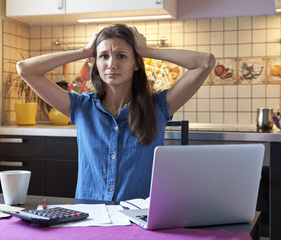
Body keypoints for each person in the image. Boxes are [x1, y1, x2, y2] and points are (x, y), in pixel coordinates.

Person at [16, 23, 215, 201]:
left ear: (136, 63)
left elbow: (205, 62)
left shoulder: (159, 106)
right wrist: (85, 51)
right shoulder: (81, 107)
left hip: (139, 220)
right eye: (103, 56)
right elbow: (25, 69)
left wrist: (146, 50)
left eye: (121, 56)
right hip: (91, 217)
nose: (111, 64)